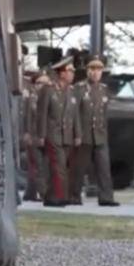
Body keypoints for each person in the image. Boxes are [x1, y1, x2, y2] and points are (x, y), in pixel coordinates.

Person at [69, 57, 119, 207]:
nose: (96, 73)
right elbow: (74, 113)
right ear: (87, 71)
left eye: (99, 70)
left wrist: (104, 132)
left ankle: (106, 198)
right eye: (92, 69)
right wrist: (77, 134)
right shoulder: (79, 88)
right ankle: (74, 196)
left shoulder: (104, 89)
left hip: (100, 135)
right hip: (84, 135)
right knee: (79, 168)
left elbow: (104, 113)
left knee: (104, 168)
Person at [37, 56, 81, 207]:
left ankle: (50, 197)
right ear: (61, 73)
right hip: (52, 134)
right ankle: (60, 196)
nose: (72, 74)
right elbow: (42, 114)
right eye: (69, 71)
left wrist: (78, 134)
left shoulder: (71, 91)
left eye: (72, 71)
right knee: (59, 166)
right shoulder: (48, 90)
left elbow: (75, 115)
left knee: (59, 167)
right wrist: (41, 135)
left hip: (67, 135)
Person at [20, 72, 42, 202]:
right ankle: (38, 192)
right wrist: (26, 133)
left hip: (42, 135)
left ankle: (30, 192)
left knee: (35, 166)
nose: (42, 85)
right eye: (39, 83)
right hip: (33, 135)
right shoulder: (31, 99)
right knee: (36, 164)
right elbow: (26, 117)